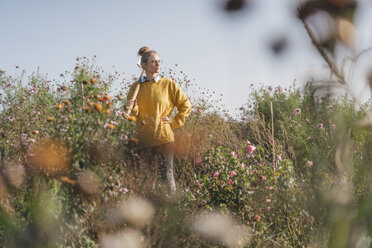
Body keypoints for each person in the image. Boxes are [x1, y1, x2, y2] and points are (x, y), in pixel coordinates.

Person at [126, 46, 192, 195]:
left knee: (167, 177)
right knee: (148, 180)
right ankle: (152, 214)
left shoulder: (168, 84)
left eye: (159, 62)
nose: (157, 65)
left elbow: (185, 104)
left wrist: (175, 122)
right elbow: (134, 115)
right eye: (153, 62)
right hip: (144, 139)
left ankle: (173, 210)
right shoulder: (135, 88)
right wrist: (133, 108)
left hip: (164, 138)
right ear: (143, 65)